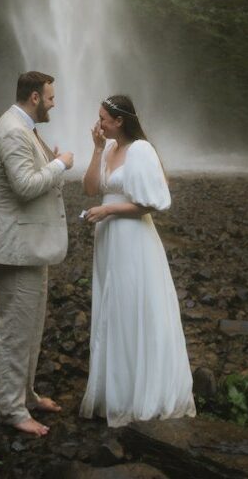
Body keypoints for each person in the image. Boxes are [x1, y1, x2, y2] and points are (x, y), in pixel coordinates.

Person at [0, 70, 76, 437]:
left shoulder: (22, 125)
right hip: (14, 247)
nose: (54, 103)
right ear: (34, 97)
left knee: (32, 325)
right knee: (17, 329)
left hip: (27, 246)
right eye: (50, 97)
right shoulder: (15, 131)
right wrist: (61, 163)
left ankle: (26, 394)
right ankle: (12, 410)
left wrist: (53, 160)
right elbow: (26, 186)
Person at [79, 94, 196, 426]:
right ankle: (117, 391)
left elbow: (154, 203)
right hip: (109, 240)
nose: (98, 123)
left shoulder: (141, 150)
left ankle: (143, 393)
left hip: (133, 237)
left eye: (103, 119)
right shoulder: (111, 150)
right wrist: (97, 149)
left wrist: (109, 209)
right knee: (113, 309)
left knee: (135, 307)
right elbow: (90, 189)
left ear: (119, 121)